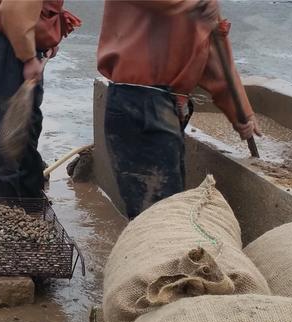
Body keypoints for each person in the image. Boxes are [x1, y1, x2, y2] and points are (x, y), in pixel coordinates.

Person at [97, 0, 261, 219]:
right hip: (138, 102)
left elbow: (213, 53)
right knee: (158, 217)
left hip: (164, 108)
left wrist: (242, 113)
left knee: (169, 207)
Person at [0, 0, 80, 199]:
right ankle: (5, 213)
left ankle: (28, 206)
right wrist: (28, 57)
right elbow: (13, 9)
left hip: (22, 47)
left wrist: (47, 40)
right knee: (8, 136)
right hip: (11, 50)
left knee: (28, 130)